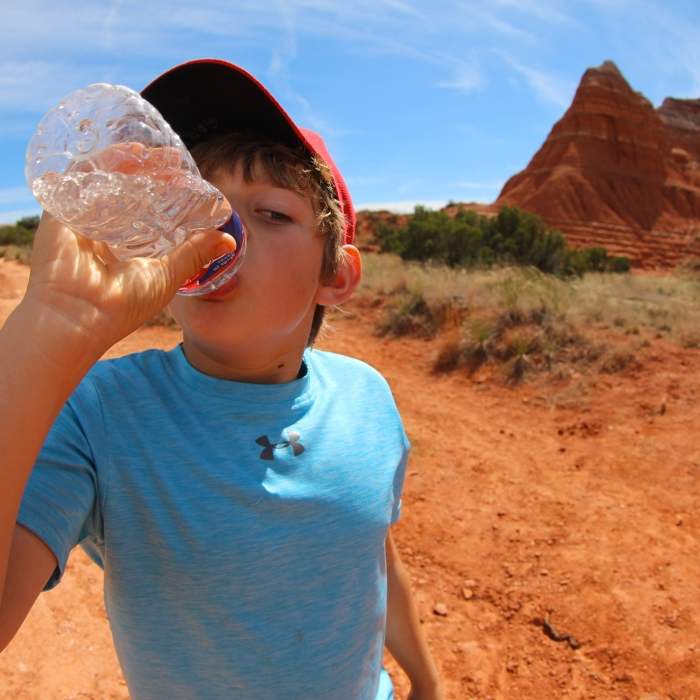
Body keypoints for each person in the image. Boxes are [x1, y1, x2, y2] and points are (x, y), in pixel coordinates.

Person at [0, 59, 443, 699]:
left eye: (270, 213)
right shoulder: (98, 413)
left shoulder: (367, 397)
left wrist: (427, 681)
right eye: (193, 204)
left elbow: (367, 551)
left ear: (336, 276)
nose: (221, 234)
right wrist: (48, 327)